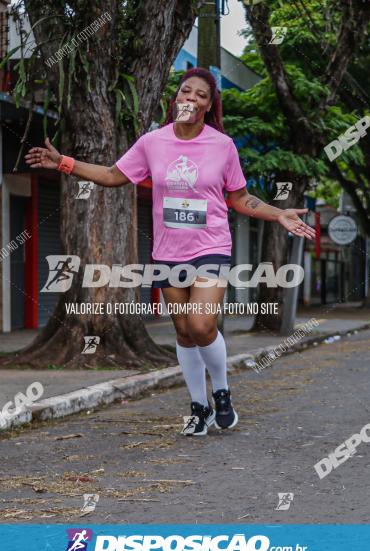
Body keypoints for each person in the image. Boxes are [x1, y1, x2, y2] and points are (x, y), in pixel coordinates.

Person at [25, 67, 316, 433]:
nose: (191, 99)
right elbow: (114, 175)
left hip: (211, 245)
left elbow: (239, 198)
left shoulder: (222, 146)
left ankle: (222, 392)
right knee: (182, 331)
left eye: (201, 96)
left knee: (201, 323)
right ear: (175, 98)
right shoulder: (153, 142)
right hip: (168, 250)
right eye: (186, 92)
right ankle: (199, 406)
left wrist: (278, 215)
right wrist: (64, 163)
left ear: (209, 107)